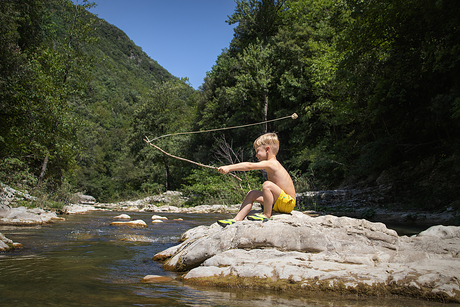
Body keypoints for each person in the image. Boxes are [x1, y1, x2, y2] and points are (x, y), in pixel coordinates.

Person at [217, 132, 296, 227]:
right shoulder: (269, 164)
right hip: (278, 202)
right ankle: (236, 219)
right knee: (252, 193)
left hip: (288, 203)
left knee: (267, 184)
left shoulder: (273, 163)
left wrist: (229, 167)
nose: (256, 155)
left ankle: (266, 215)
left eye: (258, 151)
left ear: (267, 150)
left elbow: (249, 166)